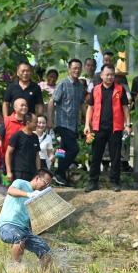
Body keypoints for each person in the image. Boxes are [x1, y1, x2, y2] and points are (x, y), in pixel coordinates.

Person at [84, 64, 132, 192]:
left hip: (115, 128)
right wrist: (87, 125)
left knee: (115, 157)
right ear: (101, 76)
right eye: (107, 74)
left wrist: (128, 125)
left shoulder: (120, 89)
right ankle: (93, 182)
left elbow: (125, 108)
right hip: (98, 128)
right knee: (96, 156)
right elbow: (90, 108)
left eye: (112, 75)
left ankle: (114, 182)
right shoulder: (95, 89)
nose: (110, 77)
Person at [0, 169, 53, 267]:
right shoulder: (21, 183)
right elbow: (10, 190)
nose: (45, 186)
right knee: (19, 237)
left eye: (48, 184)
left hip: (24, 229)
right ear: (37, 178)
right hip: (7, 225)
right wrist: (29, 194)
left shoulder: (38, 196)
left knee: (45, 250)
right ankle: (16, 268)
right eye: (45, 182)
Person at [48, 58, 85, 186]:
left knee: (62, 150)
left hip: (73, 124)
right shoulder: (63, 84)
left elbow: (82, 104)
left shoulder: (80, 86)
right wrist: (50, 120)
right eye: (74, 68)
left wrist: (85, 121)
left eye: (79, 68)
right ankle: (59, 172)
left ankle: (60, 177)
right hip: (62, 124)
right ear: (69, 69)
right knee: (74, 149)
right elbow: (52, 101)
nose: (77, 70)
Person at [5, 112, 41, 182]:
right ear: (28, 123)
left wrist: (38, 171)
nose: (37, 125)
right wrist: (9, 172)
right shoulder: (17, 136)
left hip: (32, 172)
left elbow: (37, 155)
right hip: (19, 172)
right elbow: (8, 153)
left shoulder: (35, 137)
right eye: (35, 122)